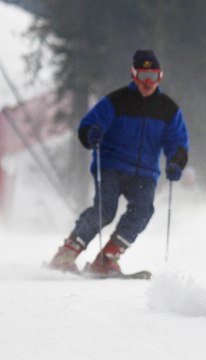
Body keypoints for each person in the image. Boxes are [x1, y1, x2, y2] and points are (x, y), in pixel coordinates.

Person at [48, 50, 189, 276]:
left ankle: (107, 258)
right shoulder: (116, 101)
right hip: (111, 166)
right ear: (134, 75)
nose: (148, 83)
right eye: (143, 76)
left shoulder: (168, 109)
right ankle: (66, 254)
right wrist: (91, 134)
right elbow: (89, 125)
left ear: (160, 77)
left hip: (145, 173)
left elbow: (178, 141)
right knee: (105, 210)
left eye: (153, 77)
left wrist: (176, 162)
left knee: (142, 211)